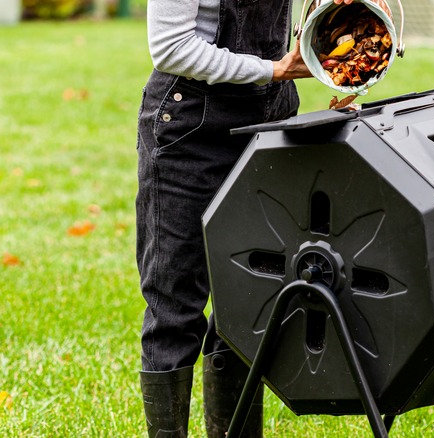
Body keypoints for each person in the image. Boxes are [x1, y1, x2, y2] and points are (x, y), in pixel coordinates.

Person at [135, 0, 353, 436]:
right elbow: (170, 47)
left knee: (249, 304)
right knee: (173, 308)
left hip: (268, 127)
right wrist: (274, 70)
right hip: (191, 133)